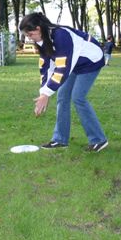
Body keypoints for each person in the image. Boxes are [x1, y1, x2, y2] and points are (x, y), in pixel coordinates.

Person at [19, 12, 108, 152]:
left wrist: (47, 94)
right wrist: (43, 93)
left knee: (78, 97)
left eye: (30, 34)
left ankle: (99, 140)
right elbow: (46, 68)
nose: (29, 38)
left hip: (91, 62)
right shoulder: (42, 41)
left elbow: (62, 68)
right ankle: (60, 140)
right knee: (62, 96)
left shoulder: (61, 36)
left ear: (38, 28)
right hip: (73, 64)